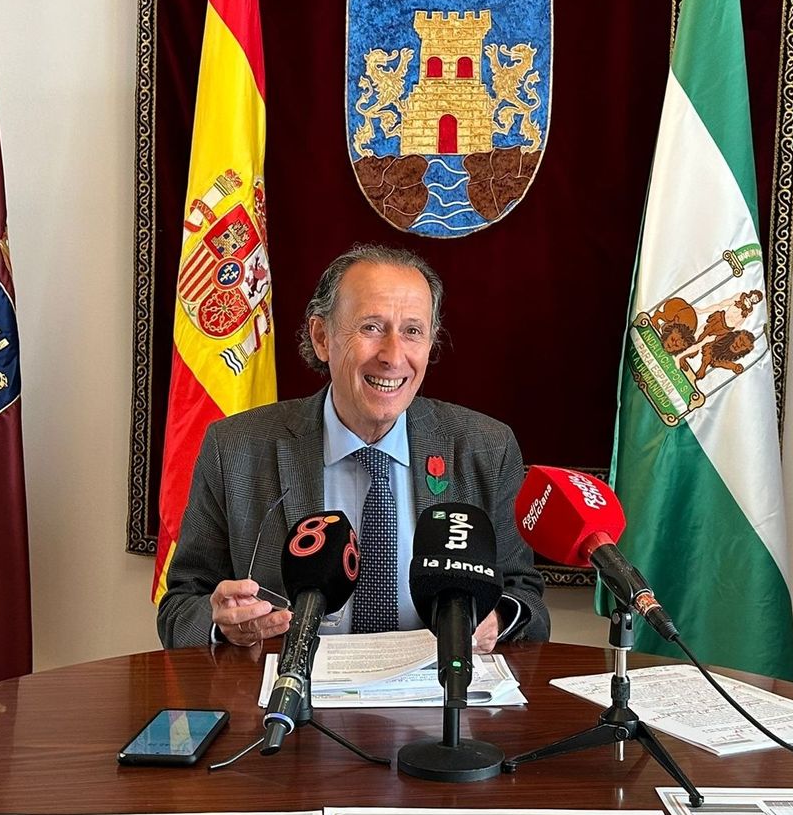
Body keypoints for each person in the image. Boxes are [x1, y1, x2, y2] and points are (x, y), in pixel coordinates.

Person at [156, 244, 550, 650]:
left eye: (413, 331)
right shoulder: (235, 449)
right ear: (322, 337)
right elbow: (179, 609)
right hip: (290, 699)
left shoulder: (486, 448)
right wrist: (222, 622)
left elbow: (527, 599)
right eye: (371, 328)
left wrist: (496, 620)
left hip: (435, 699)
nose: (393, 356)